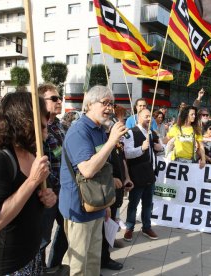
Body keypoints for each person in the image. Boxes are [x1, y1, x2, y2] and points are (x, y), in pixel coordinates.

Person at [0, 92, 57, 275]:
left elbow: (43, 197)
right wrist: (33, 180)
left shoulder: (33, 154)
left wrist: (49, 198)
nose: (46, 134)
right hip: (4, 265)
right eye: (42, 127)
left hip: (30, 256)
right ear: (24, 123)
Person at [59, 85, 127, 275]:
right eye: (105, 103)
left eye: (111, 104)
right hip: (79, 207)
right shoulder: (79, 131)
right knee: (79, 264)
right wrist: (112, 141)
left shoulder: (99, 129)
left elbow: (101, 167)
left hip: (96, 204)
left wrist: (104, 203)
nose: (110, 108)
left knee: (93, 259)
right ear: (89, 104)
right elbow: (88, 170)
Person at [38, 84, 68, 272]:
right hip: (47, 192)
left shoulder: (61, 125)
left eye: (60, 98)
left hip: (65, 190)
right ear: (41, 102)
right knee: (42, 239)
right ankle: (39, 269)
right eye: (54, 99)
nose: (59, 101)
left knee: (67, 231)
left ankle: (53, 266)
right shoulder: (37, 127)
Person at [123, 109, 163, 242]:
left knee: (148, 203)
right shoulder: (131, 132)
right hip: (137, 174)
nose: (149, 118)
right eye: (146, 116)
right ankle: (129, 227)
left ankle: (147, 227)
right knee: (133, 203)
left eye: (150, 116)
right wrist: (141, 148)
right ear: (138, 118)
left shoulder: (150, 133)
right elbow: (127, 153)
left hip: (150, 173)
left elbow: (156, 150)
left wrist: (158, 147)